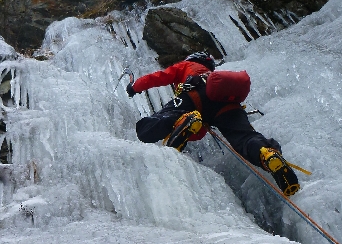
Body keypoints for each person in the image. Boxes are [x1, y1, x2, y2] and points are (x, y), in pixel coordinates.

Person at [126, 52, 300, 196]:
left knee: (149, 128)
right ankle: (266, 154)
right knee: (245, 138)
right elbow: (199, 130)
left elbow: (159, 77)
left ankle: (180, 119)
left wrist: (135, 87)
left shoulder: (187, 66)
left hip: (194, 94)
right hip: (228, 105)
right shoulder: (215, 79)